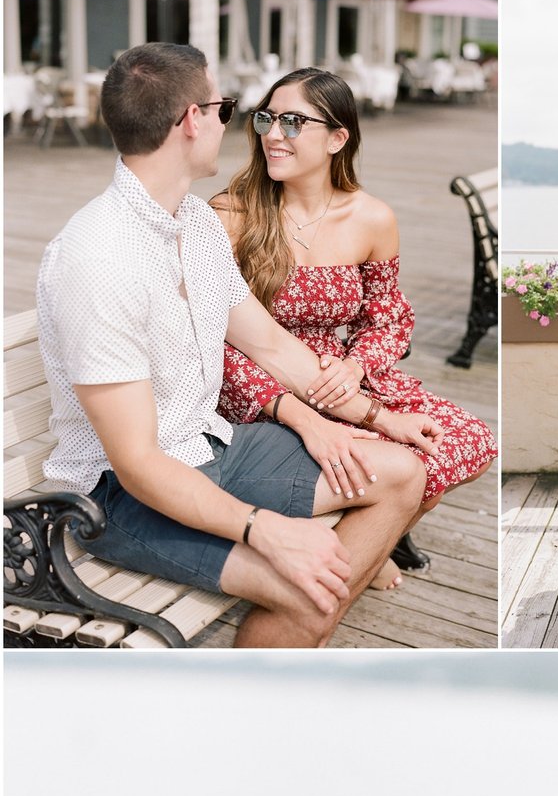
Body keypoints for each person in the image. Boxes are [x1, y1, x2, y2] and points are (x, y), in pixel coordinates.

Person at [35, 43, 427, 648]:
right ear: (192, 120)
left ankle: (290, 647)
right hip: (117, 496)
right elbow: (138, 464)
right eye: (224, 108)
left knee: (402, 473)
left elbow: (268, 343)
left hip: (206, 444)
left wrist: (378, 416)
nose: (235, 124)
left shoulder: (192, 222)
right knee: (309, 586)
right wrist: (261, 529)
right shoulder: (99, 258)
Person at [211, 67, 497, 589]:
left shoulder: (371, 218)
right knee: (374, 457)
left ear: (338, 137)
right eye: (267, 119)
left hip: (342, 372)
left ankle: (373, 538)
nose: (274, 134)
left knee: (465, 440)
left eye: (294, 122)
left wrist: (356, 364)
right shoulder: (231, 215)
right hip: (255, 382)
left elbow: (389, 318)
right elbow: (213, 336)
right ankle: (360, 553)